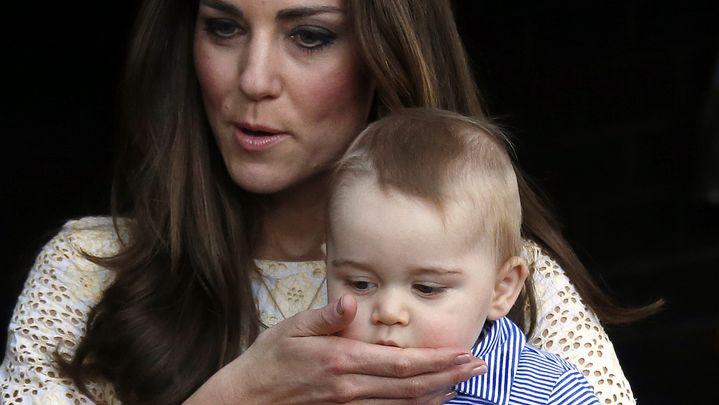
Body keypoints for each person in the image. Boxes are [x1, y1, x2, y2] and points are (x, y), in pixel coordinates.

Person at [1, 0, 658, 404]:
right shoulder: (89, 269)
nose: (253, 79)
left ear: (384, 50)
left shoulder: (518, 280)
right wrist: (242, 395)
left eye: (309, 35)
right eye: (223, 26)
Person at [325, 108, 600, 404]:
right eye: (360, 283)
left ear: (501, 289)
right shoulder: (312, 383)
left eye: (426, 288)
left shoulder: (549, 392)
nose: (389, 312)